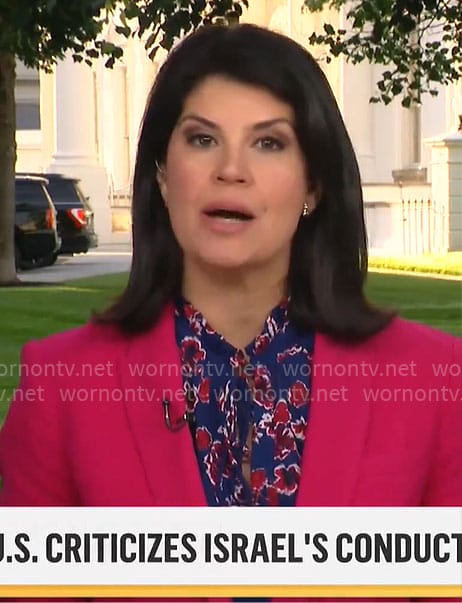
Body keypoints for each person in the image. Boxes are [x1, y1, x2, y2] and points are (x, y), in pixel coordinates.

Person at [0, 23, 461, 510]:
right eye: (202, 139)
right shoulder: (61, 384)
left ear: (313, 186)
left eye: (268, 143)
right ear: (161, 174)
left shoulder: (435, 380)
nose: (231, 169)